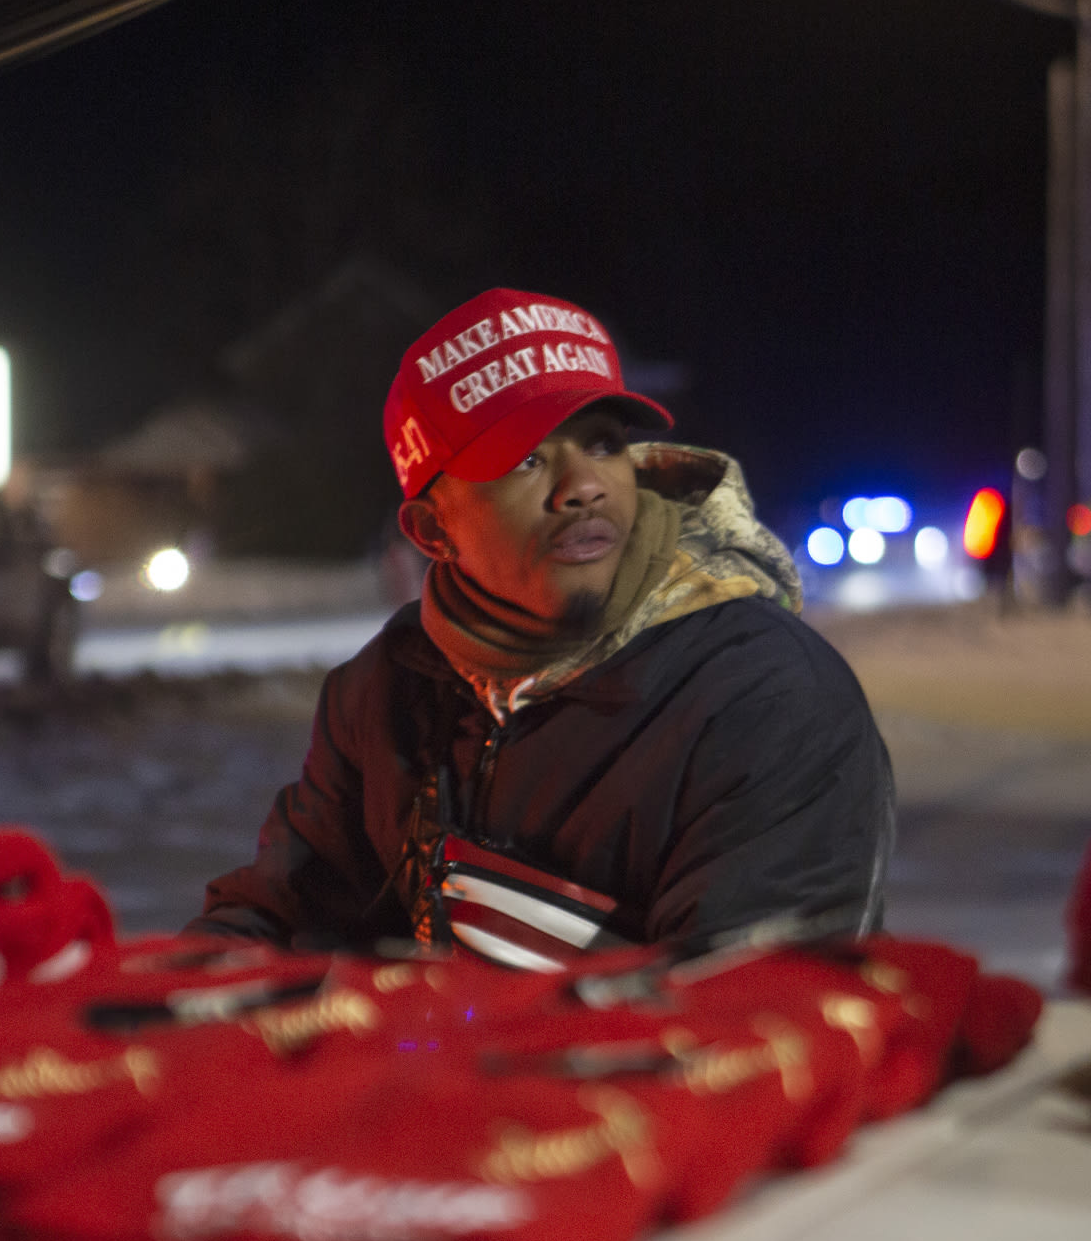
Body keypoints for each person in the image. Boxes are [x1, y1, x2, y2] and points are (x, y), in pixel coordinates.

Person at [191, 287, 894, 959]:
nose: (584, 486)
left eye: (602, 443)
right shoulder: (380, 693)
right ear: (433, 530)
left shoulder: (765, 699)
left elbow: (753, 1028)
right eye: (525, 459)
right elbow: (280, 916)